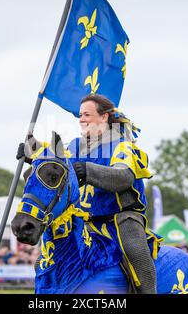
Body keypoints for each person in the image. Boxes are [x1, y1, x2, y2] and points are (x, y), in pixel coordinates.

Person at [17, 94, 160, 294]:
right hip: (85, 222)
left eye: (87, 114)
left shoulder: (123, 146)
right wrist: (32, 151)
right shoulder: (76, 146)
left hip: (120, 221)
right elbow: (56, 163)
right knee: (46, 258)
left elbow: (123, 177)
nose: (81, 119)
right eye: (80, 115)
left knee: (134, 251)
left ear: (104, 117)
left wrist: (88, 170)